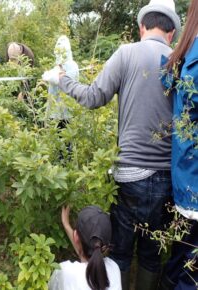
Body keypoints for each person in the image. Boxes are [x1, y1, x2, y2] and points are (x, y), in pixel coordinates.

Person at [43, 0, 181, 289]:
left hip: (129, 174)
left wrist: (62, 79)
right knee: (151, 254)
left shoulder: (126, 53)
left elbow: (93, 97)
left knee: (119, 250)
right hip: (168, 177)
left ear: (142, 26)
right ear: (172, 32)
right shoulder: (179, 59)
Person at [159, 0, 198, 288]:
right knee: (188, 269)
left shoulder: (185, 53)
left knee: (181, 260)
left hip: (185, 179)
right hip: (193, 182)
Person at [49, 205, 121, 290]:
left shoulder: (64, 271)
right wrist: (66, 225)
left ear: (75, 236)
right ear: (105, 246)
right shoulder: (114, 268)